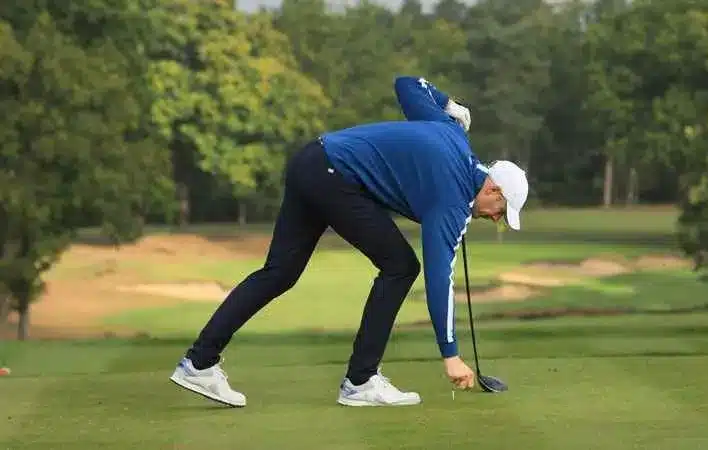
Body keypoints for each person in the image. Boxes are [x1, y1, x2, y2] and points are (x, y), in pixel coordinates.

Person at [169, 75, 529, 407]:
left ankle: (198, 362)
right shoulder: (450, 200)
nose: (496, 218)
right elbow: (439, 279)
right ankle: (361, 381)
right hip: (333, 176)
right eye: (501, 210)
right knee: (401, 266)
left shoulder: (452, 133)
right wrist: (450, 355)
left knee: (279, 273)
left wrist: (447, 106)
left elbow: (409, 85)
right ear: (493, 188)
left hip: (312, 161)